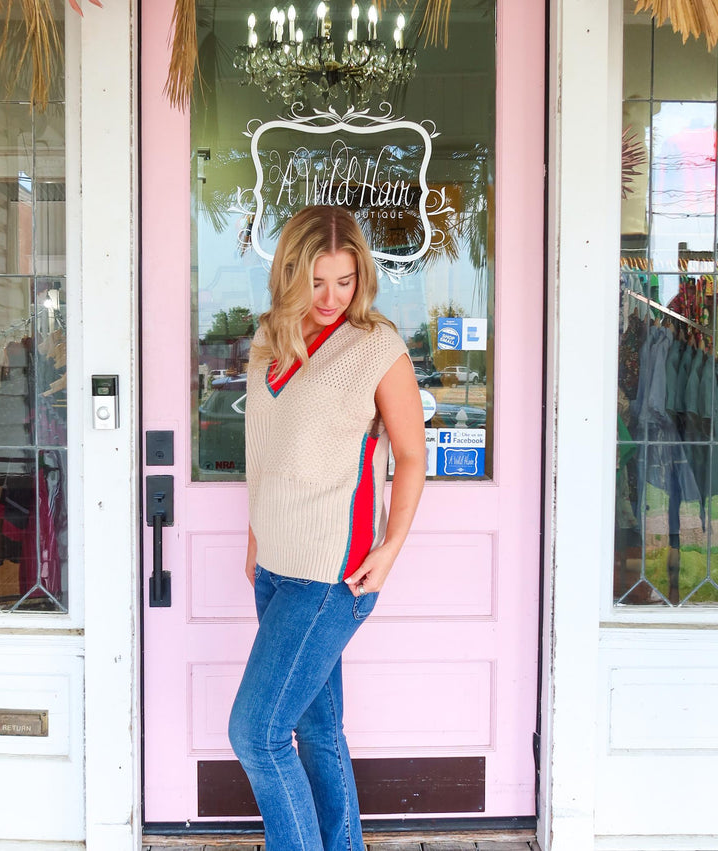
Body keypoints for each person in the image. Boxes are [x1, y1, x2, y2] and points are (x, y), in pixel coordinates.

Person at [228, 205, 425, 851]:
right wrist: (256, 536)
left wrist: (392, 550)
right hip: (278, 568)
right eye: (316, 281)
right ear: (289, 272)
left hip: (331, 576)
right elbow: (266, 447)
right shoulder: (267, 340)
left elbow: (412, 455)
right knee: (316, 731)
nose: (331, 297)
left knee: (255, 733)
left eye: (344, 281)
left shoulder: (376, 347)